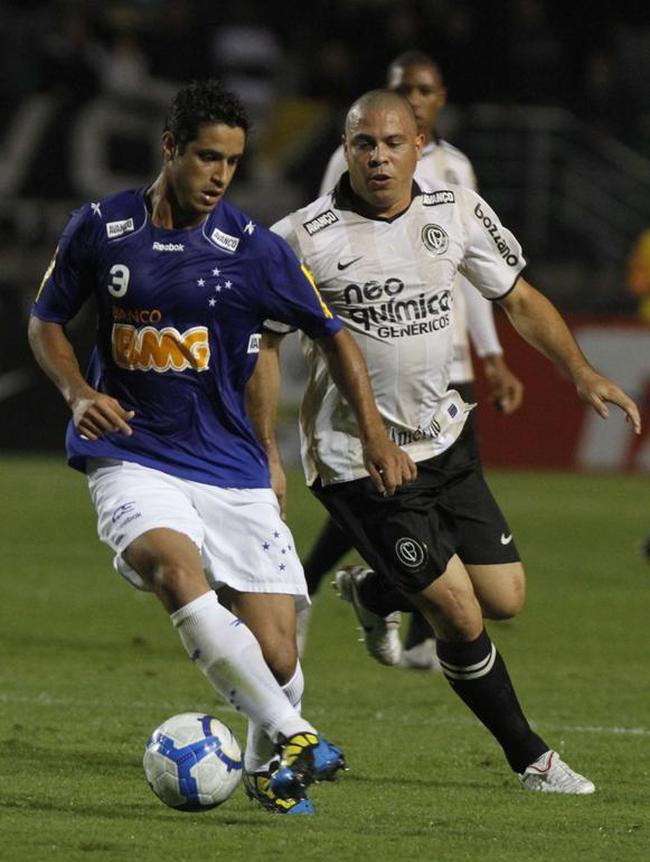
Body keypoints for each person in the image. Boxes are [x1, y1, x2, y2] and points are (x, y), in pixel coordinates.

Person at [27, 79, 416, 816]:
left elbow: (333, 333)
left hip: (229, 465)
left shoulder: (254, 251)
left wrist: (369, 433)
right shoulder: (101, 229)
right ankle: (297, 734)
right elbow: (46, 321)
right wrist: (79, 391)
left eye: (233, 163)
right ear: (170, 147)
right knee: (172, 567)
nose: (220, 176)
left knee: (278, 657)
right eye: (207, 157)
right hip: (131, 453)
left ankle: (272, 763)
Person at [251, 89, 642, 794]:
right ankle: (531, 757)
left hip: (447, 437)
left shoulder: (452, 210)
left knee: (506, 596)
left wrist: (580, 371)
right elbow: (263, 348)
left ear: (418, 144)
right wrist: (266, 452)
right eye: (364, 143)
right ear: (345, 149)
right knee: (457, 611)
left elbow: (518, 296)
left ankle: (374, 594)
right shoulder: (300, 239)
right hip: (357, 458)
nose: (378, 157)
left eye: (392, 143)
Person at [299, 50, 525, 667]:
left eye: (424, 90)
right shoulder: (349, 166)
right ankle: (327, 589)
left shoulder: (456, 172)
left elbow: (477, 273)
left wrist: (491, 354)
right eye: (405, 87)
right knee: (380, 493)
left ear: (437, 102)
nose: (416, 95)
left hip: (446, 370)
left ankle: (377, 593)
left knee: (440, 511)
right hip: (372, 368)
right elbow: (324, 254)